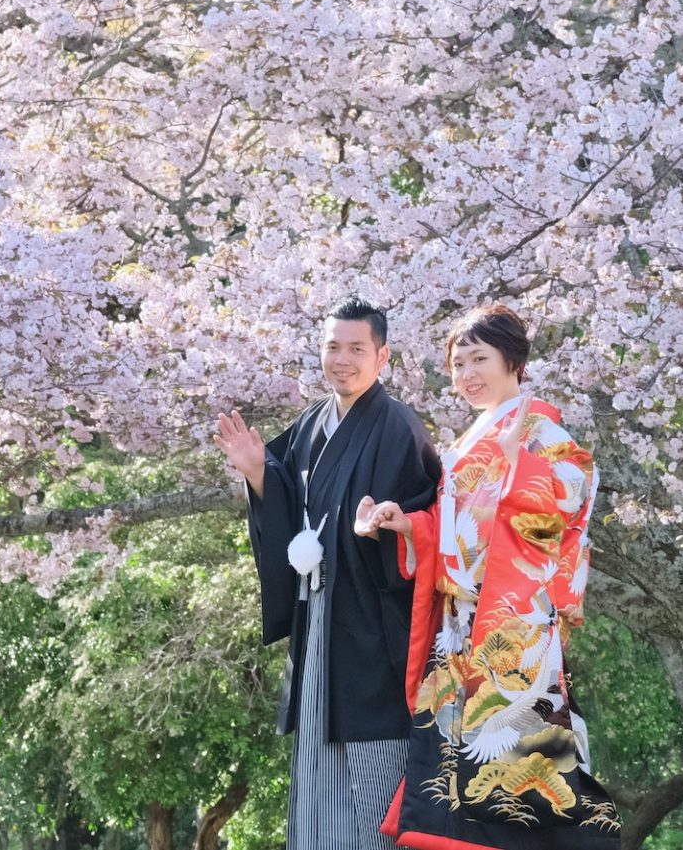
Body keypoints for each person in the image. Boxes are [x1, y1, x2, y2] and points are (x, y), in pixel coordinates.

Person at [356, 304, 621, 850]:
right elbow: (455, 522)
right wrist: (406, 522)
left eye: (480, 359)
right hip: (458, 619)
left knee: (516, 768)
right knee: (453, 756)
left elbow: (571, 497)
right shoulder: (467, 438)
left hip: (512, 624)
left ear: (513, 361)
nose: (467, 374)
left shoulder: (540, 427)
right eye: (458, 363)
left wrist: (519, 467)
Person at [214, 297, 441, 850]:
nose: (342, 360)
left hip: (372, 633)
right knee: (318, 782)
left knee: (375, 781)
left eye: (356, 349)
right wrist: (257, 474)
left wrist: (388, 525)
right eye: (332, 347)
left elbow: (423, 513)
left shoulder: (396, 427)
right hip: (320, 621)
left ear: (381, 356)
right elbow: (291, 506)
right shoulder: (314, 421)